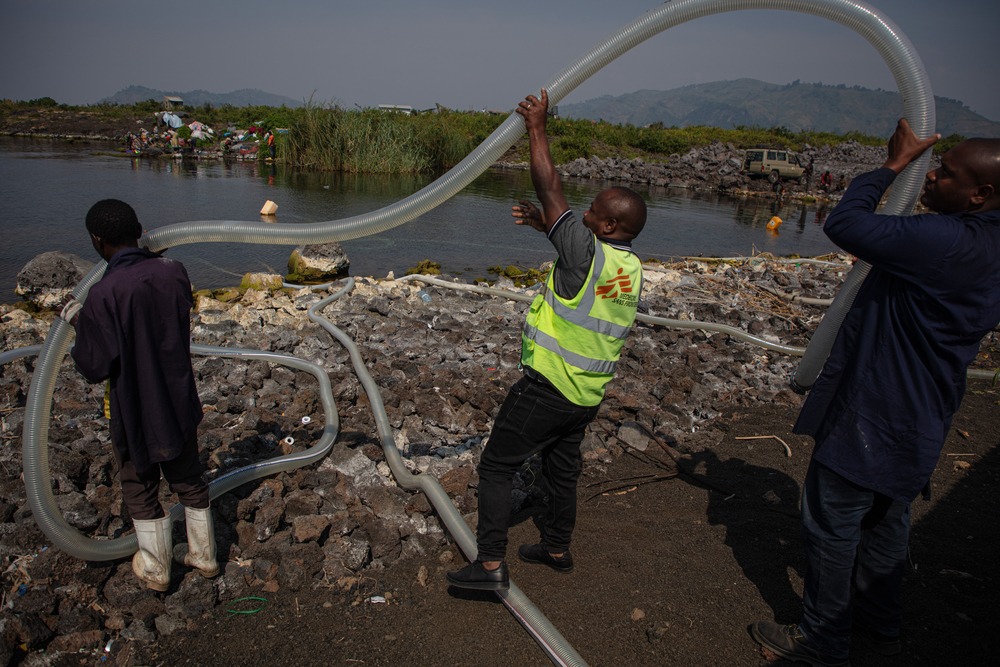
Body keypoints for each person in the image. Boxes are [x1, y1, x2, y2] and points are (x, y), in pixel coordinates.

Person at [750, 120, 1000, 665]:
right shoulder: (988, 245)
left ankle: (821, 640)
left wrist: (890, 166)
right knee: (887, 517)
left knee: (833, 524)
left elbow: (848, 224)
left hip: (876, 407)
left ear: (981, 194)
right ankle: (881, 629)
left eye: (948, 173)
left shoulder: (948, 241)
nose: (932, 176)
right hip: (925, 408)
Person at [446, 90, 647, 590]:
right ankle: (556, 546)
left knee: (496, 466)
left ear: (610, 224)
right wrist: (545, 229)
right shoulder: (628, 265)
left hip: (550, 387)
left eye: (592, 211)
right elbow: (581, 269)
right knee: (560, 471)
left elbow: (549, 184)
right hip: (586, 394)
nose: (581, 213)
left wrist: (537, 126)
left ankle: (490, 565)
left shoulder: (585, 246)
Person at [60, 199, 218, 592]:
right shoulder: (173, 272)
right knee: (188, 476)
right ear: (142, 229)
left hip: (135, 407)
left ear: (96, 241)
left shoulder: (103, 293)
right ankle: (205, 555)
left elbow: (95, 365)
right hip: (178, 399)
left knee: (139, 483)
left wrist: (80, 321)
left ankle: (156, 568)